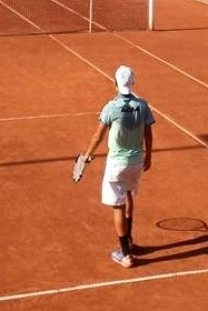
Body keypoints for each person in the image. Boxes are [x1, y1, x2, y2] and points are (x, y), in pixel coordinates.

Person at [79, 65, 155, 269]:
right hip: (136, 162)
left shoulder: (111, 107)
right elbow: (148, 133)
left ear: (115, 83)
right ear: (133, 83)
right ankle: (129, 241)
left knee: (118, 205)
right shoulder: (143, 105)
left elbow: (98, 136)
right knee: (128, 195)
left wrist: (87, 155)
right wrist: (149, 155)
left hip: (117, 163)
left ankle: (125, 255)